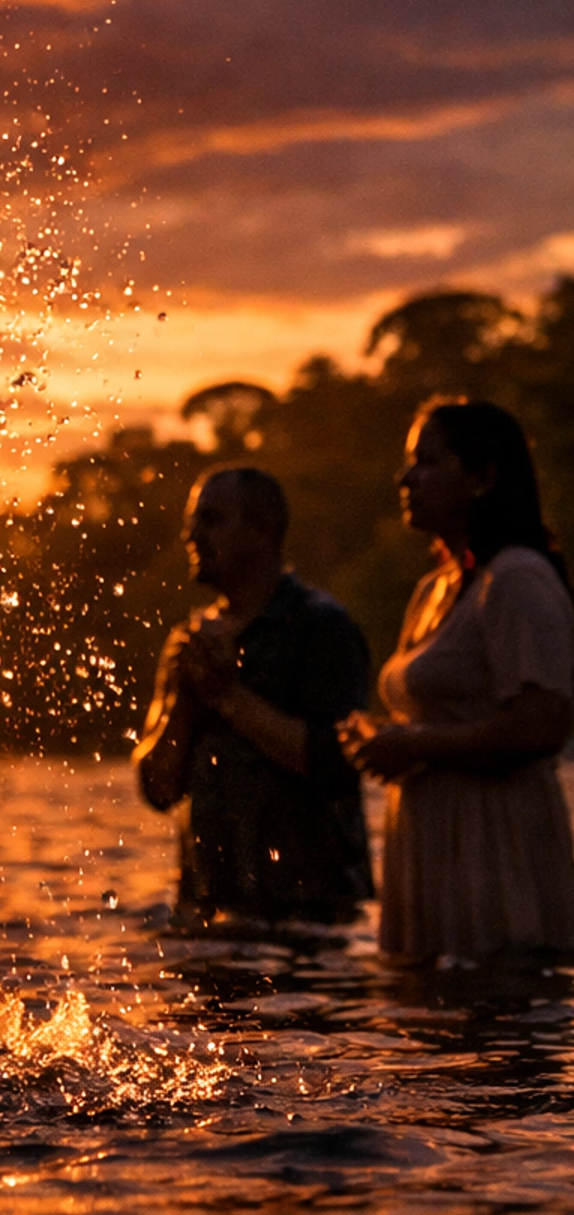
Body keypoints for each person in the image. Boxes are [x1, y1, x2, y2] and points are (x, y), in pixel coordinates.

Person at [340, 399, 574, 961]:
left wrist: (415, 745)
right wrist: (379, 739)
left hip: (497, 847)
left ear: (482, 477)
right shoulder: (433, 589)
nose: (405, 478)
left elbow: (543, 726)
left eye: (426, 461)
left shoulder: (518, 578)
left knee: (498, 1011)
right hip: (431, 842)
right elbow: (442, 714)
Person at [134, 465, 373, 925]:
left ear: (262, 531)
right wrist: (186, 697)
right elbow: (157, 789)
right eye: (193, 520)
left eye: (211, 519)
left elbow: (335, 762)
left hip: (313, 911)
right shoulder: (190, 643)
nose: (191, 534)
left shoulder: (320, 627)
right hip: (208, 908)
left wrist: (226, 697)